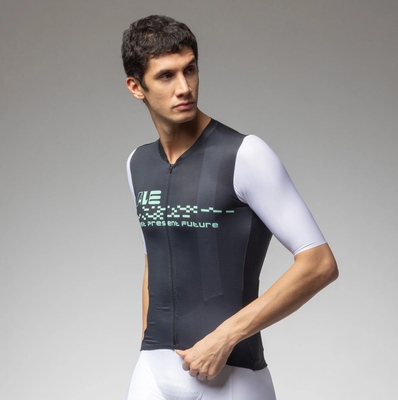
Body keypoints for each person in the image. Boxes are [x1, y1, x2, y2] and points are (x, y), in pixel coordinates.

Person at [122, 15, 338, 400]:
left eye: (190, 70)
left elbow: (319, 263)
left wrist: (225, 337)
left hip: (232, 378)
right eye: (167, 76)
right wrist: (148, 349)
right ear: (136, 87)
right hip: (153, 376)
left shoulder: (245, 154)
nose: (184, 87)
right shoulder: (137, 164)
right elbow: (154, 259)